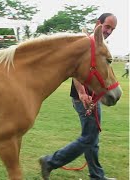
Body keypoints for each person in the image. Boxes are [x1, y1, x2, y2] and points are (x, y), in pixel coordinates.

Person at [39, 13, 118, 180]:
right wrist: (82, 93)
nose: (109, 31)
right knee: (89, 137)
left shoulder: (97, 44)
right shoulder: (87, 43)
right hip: (84, 98)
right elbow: (75, 70)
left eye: (113, 29)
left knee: (92, 138)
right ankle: (50, 161)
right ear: (98, 24)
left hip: (93, 96)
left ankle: (96, 174)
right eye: (107, 26)